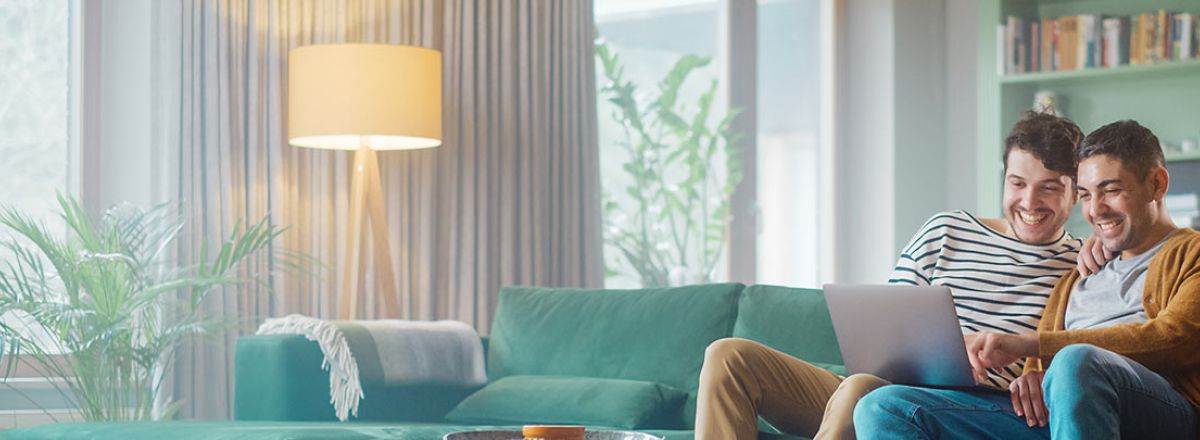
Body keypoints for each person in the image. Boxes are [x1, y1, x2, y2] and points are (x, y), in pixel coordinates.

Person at [694, 111, 1085, 439]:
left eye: (1049, 188)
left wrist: (1039, 371)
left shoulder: (1083, 264)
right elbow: (886, 328)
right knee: (728, 356)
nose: (1029, 202)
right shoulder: (946, 230)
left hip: (962, 406)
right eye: (1017, 183)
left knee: (863, 393)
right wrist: (950, 349)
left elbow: (1086, 353)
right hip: (878, 384)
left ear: (1076, 192)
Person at [853, 120, 1200, 439]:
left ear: (1157, 184)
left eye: (1110, 190)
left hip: (1160, 412)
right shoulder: (1076, 276)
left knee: (1076, 360)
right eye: (1086, 195)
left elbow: (1177, 338)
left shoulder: (1191, 252)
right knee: (883, 407)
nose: (1095, 209)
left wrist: (1029, 346)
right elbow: (1043, 371)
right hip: (1053, 419)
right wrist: (1032, 377)